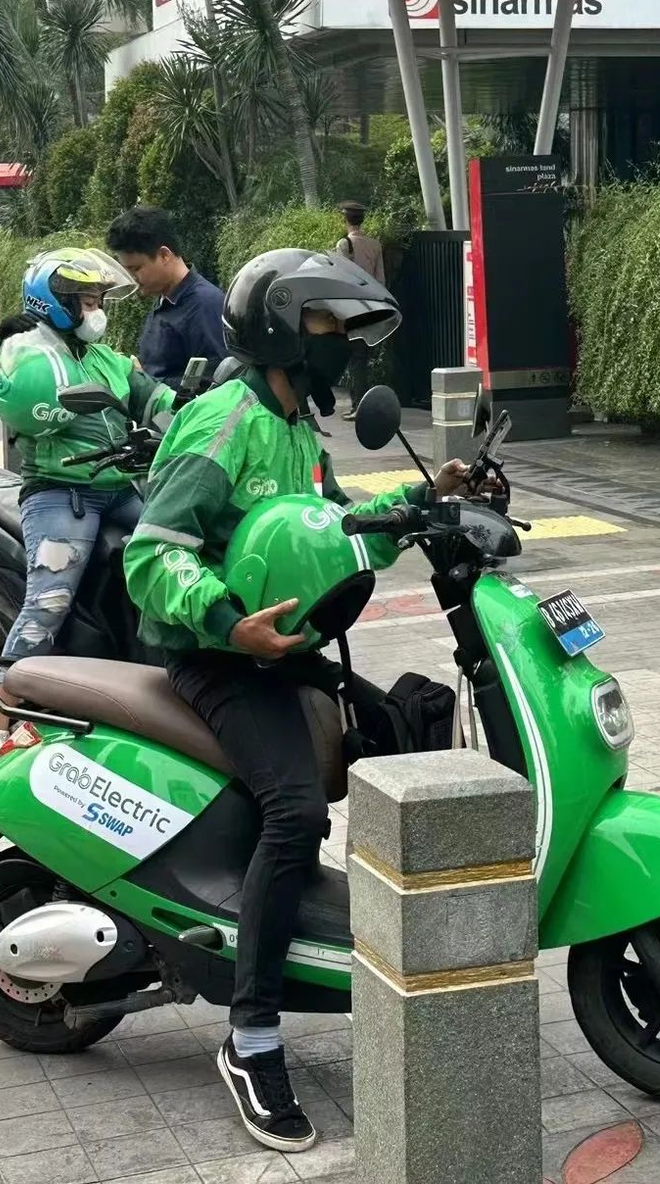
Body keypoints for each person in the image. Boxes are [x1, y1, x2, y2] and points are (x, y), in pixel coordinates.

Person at [123, 248, 487, 1154]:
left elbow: (334, 529)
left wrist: (425, 499)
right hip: (218, 658)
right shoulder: (225, 421)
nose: (342, 347)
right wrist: (227, 620)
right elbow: (150, 554)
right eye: (330, 327)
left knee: (402, 728)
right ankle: (250, 1037)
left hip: (284, 649)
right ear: (284, 327)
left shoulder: (294, 427)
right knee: (295, 812)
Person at [0, 247, 175, 776]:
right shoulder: (27, 355)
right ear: (55, 302)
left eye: (99, 299)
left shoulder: (106, 358)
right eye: (86, 300)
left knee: (179, 549)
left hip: (120, 485)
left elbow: (154, 399)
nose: (96, 309)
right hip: (60, 491)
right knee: (49, 601)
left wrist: (203, 412)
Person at [107, 205, 225, 388]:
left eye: (136, 269)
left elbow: (219, 383)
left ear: (164, 255)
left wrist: (145, 380)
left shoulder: (205, 305)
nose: (131, 278)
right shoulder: (165, 299)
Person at [334, 202, 385, 421]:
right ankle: (364, 403)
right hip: (371, 306)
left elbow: (341, 279)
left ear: (345, 220)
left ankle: (359, 405)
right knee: (362, 356)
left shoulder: (344, 245)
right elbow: (381, 280)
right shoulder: (375, 245)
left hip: (351, 308)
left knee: (355, 358)